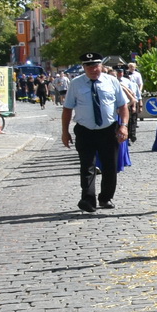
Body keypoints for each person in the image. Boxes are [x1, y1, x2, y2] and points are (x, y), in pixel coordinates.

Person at [60, 55, 129, 214]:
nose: (93, 70)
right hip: (85, 131)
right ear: (83, 68)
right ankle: (88, 199)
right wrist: (65, 132)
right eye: (89, 67)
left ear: (101, 66)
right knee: (87, 166)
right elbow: (67, 109)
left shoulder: (111, 81)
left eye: (95, 66)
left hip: (108, 130)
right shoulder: (76, 84)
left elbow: (123, 105)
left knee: (110, 166)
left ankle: (105, 197)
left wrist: (124, 126)